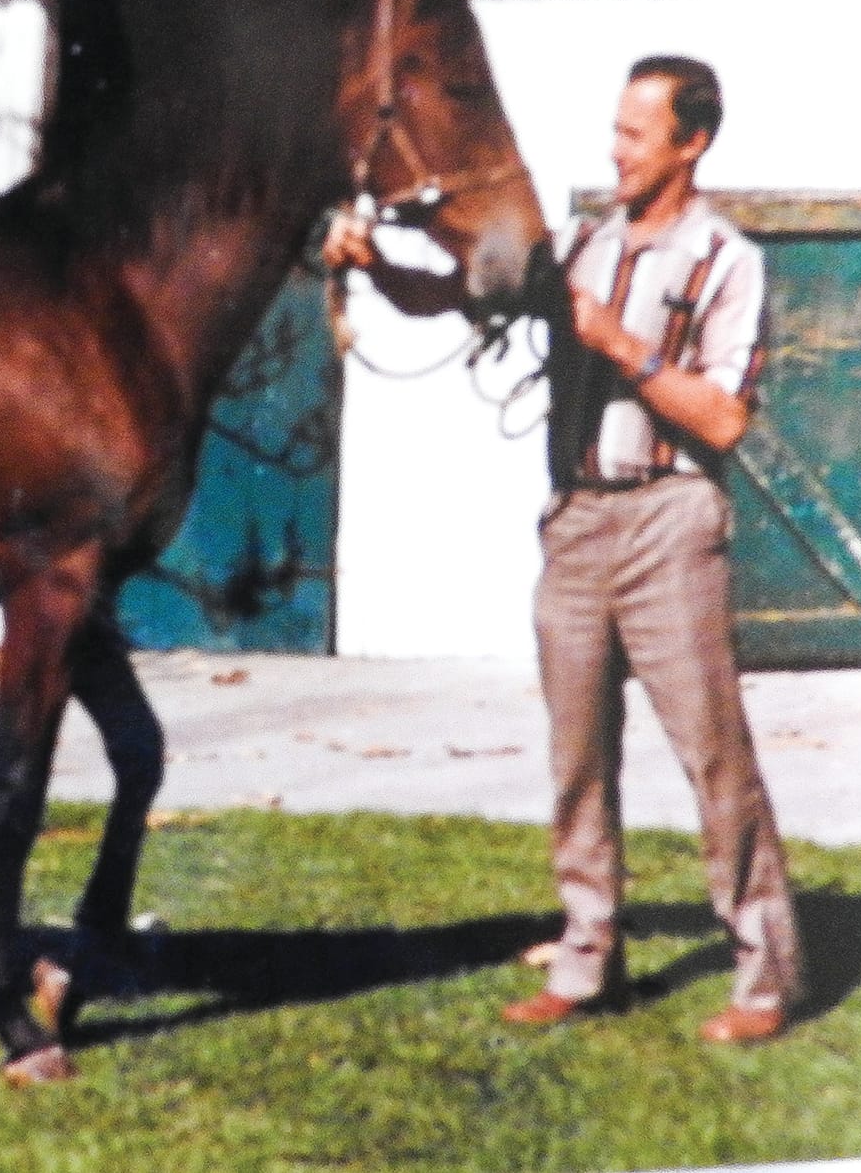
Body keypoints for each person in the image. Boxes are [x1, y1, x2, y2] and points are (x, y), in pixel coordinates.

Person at [323, 54, 804, 1044]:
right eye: (614, 129)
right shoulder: (580, 246)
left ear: (690, 143)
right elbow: (457, 298)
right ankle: (588, 962)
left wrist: (620, 346)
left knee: (713, 760)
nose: (613, 148)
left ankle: (764, 978)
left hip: (668, 524)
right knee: (574, 759)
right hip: (575, 526)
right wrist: (372, 267)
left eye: (634, 133)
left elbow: (719, 419)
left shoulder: (727, 262)